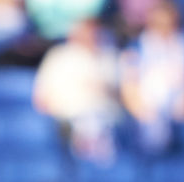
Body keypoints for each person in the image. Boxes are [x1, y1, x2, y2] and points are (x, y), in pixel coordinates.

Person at [119, 0, 184, 154]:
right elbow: (128, 84)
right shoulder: (137, 46)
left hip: (180, 111)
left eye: (168, 22)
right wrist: (142, 112)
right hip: (148, 113)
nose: (164, 27)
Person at [33, 18, 120, 163]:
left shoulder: (108, 55)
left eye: (93, 32)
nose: (89, 36)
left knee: (96, 121)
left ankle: (96, 162)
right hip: (67, 117)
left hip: (105, 117)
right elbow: (41, 97)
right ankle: (89, 160)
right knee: (87, 123)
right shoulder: (58, 56)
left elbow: (118, 93)